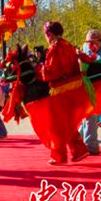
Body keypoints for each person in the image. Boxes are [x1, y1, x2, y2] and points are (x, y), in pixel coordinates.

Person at [40, 22, 89, 165]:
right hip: (74, 88)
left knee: (57, 124)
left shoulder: (55, 48)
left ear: (50, 34)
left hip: (60, 89)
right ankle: (79, 149)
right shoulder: (69, 45)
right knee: (66, 122)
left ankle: (59, 156)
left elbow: (51, 72)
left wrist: (41, 70)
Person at [79, 29, 101, 155]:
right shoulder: (85, 48)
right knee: (86, 116)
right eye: (88, 42)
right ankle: (79, 140)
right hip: (86, 87)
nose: (90, 45)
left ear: (100, 41)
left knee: (90, 116)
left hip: (99, 89)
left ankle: (91, 146)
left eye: (93, 42)